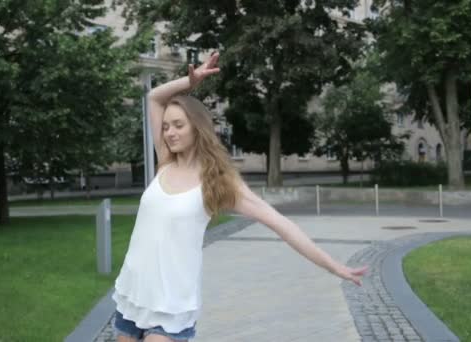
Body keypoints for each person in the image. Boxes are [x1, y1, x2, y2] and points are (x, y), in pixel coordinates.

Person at [111, 52, 368, 342]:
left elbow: (280, 224)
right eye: (166, 126)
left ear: (198, 127)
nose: (169, 133)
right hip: (134, 290)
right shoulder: (166, 161)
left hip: (172, 302)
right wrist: (188, 82)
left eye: (178, 125)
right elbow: (154, 98)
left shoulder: (219, 182)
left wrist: (333, 266)